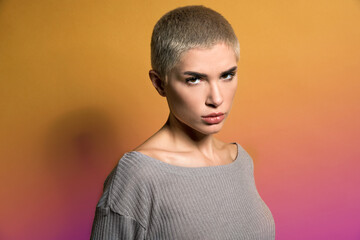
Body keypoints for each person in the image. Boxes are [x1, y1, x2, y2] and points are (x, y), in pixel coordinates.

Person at [91, 5, 275, 239]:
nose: (217, 99)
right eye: (195, 79)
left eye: (227, 75)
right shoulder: (137, 176)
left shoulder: (240, 161)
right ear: (159, 83)